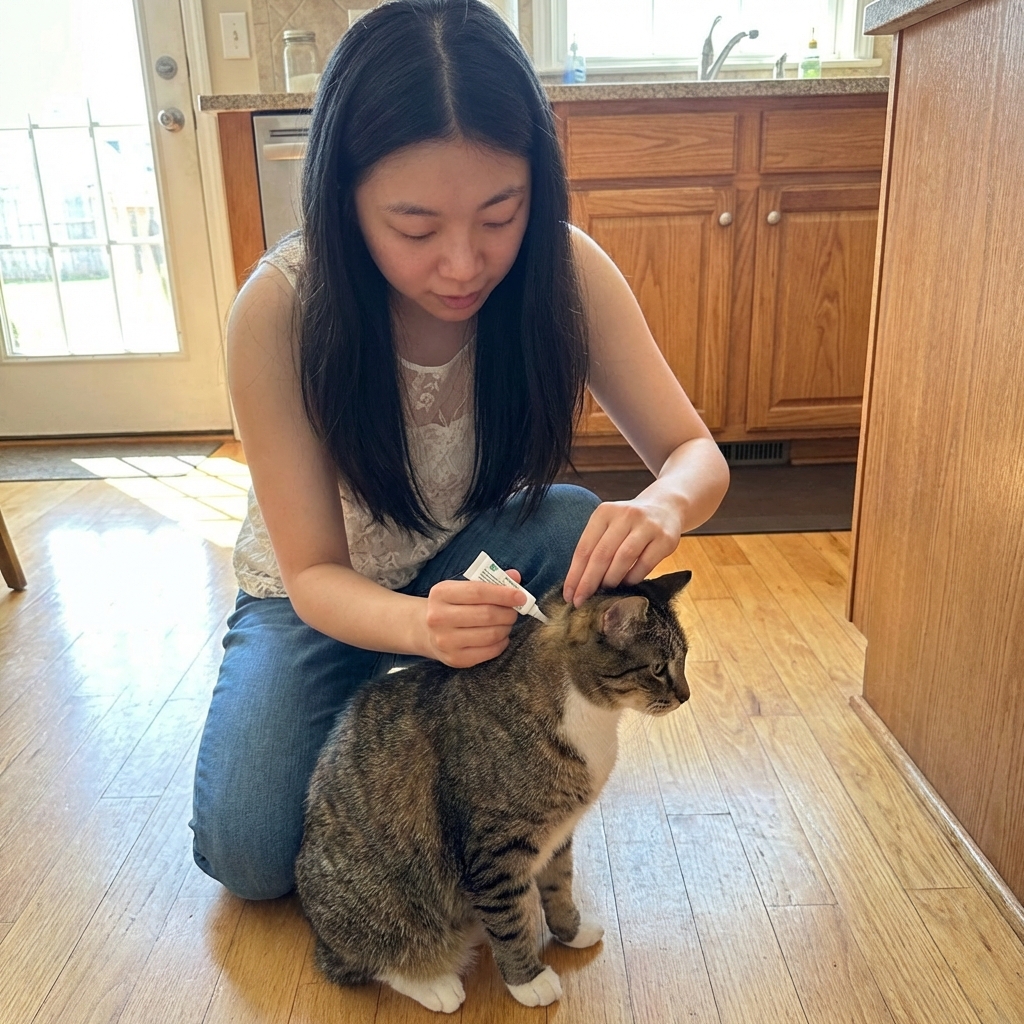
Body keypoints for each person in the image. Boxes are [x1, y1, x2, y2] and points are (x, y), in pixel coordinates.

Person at [190, 0, 729, 901]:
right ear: (344, 201)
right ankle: (424, 693)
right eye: (413, 228)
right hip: (318, 596)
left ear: (536, 188)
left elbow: (692, 452)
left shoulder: (564, 269)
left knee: (581, 523)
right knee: (248, 856)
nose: (463, 264)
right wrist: (417, 629)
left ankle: (468, 727)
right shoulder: (281, 309)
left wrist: (663, 506)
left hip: (473, 558)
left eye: (500, 214)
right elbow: (316, 571)